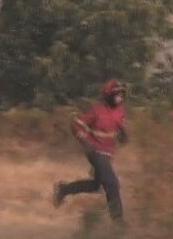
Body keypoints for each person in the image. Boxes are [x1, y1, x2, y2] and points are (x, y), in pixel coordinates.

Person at [53, 79, 128, 221]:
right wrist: (85, 140)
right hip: (95, 151)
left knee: (96, 185)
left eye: (122, 94)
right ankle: (118, 225)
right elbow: (76, 124)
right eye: (117, 94)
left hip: (107, 153)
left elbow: (119, 129)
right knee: (112, 183)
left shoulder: (120, 111)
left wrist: (123, 134)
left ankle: (64, 189)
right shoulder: (96, 109)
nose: (121, 97)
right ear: (108, 95)